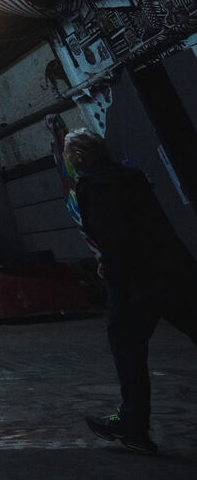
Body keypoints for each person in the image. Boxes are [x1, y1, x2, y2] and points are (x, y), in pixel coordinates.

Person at [67, 128, 197, 456]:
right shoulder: (130, 176)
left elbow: (113, 234)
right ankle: (132, 421)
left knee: (125, 345)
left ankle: (133, 423)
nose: (67, 158)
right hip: (173, 271)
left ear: (80, 155)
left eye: (69, 153)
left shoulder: (94, 184)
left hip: (135, 282)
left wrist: (110, 267)